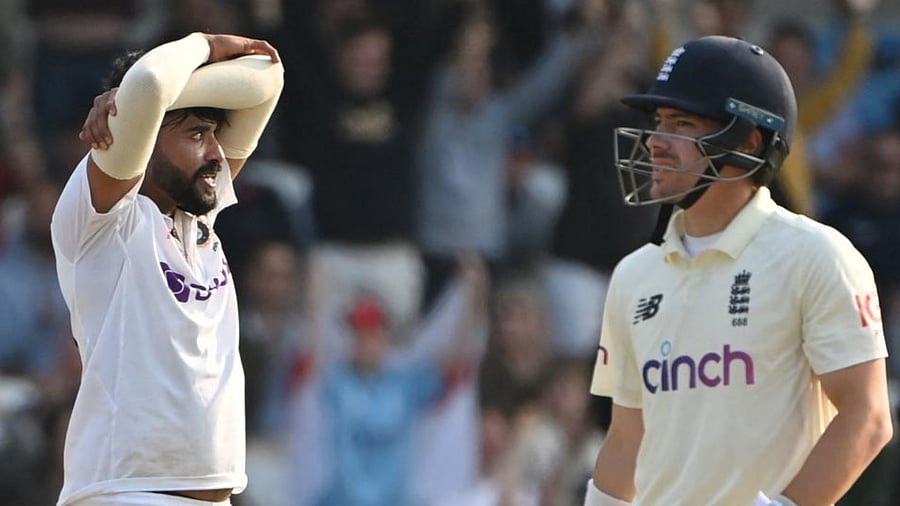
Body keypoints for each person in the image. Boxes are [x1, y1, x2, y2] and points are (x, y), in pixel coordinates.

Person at [583, 36, 893, 506]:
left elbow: (868, 417)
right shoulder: (633, 275)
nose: (653, 142)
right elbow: (628, 441)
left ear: (748, 141)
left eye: (681, 124)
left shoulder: (818, 255)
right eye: (658, 123)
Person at [50, 31, 284, 506]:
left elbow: (268, 77)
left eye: (215, 133)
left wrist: (165, 92)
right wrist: (206, 41)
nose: (218, 153)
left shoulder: (199, 211)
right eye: (198, 134)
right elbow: (153, 83)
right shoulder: (102, 221)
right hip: (125, 492)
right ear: (143, 135)